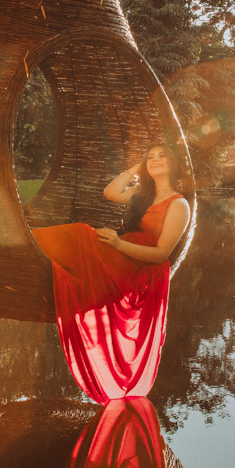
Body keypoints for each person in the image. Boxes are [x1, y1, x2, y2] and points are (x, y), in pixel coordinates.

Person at [32, 144, 192, 403]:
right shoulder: (142, 194)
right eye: (150, 157)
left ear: (174, 163)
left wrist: (118, 245)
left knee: (82, 234)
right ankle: (27, 246)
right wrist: (136, 168)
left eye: (162, 156)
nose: (155, 160)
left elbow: (161, 254)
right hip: (120, 256)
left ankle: (25, 242)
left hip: (135, 265)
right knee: (81, 236)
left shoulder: (179, 204)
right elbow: (111, 192)